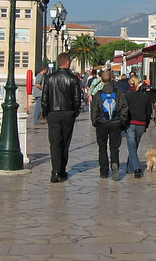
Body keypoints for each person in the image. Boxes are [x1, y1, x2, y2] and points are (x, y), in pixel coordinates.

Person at [41, 53, 83, 183]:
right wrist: (75, 112)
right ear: (68, 63)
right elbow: (77, 99)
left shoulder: (49, 78)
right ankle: (62, 169)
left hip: (53, 113)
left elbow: (44, 98)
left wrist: (45, 112)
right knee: (65, 143)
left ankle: (55, 171)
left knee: (54, 143)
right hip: (68, 113)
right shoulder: (73, 79)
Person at [90, 70, 130, 180]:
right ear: (111, 79)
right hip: (115, 123)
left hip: (102, 123)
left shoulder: (98, 94)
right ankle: (115, 163)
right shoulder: (117, 93)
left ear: (102, 80)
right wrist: (122, 120)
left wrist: (95, 122)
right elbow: (124, 107)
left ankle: (103, 171)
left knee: (102, 148)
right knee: (114, 147)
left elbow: (94, 110)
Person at [123, 78, 154, 178]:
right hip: (141, 123)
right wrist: (146, 124)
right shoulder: (145, 96)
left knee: (132, 147)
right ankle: (129, 168)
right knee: (134, 147)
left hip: (131, 123)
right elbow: (149, 111)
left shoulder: (127, 96)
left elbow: (124, 111)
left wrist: (122, 123)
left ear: (129, 83)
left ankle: (136, 168)